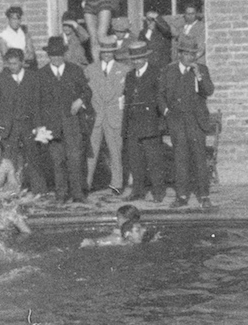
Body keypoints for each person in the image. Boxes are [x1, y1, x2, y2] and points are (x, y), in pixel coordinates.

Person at [32, 35, 93, 203]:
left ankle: (78, 194)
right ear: (48, 56)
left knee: (75, 160)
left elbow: (87, 91)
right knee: (57, 161)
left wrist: (80, 100)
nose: (56, 58)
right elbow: (36, 103)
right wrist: (38, 127)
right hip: (51, 125)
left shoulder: (75, 70)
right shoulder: (41, 74)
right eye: (53, 55)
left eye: (59, 55)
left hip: (72, 123)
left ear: (64, 54)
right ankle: (61, 194)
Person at [158, 36, 216, 208]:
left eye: (193, 54)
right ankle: (181, 196)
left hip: (195, 120)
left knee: (199, 159)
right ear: (180, 54)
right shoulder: (169, 70)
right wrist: (167, 112)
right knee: (180, 159)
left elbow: (209, 91)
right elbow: (160, 94)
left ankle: (204, 196)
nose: (191, 58)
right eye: (187, 54)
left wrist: (199, 76)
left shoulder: (202, 69)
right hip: (177, 120)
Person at [84, 34, 130, 195]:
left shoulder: (123, 70)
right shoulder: (90, 69)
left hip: (114, 116)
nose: (107, 54)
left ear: (114, 52)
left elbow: (125, 94)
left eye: (110, 52)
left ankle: (117, 184)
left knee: (115, 151)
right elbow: (85, 91)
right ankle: (86, 184)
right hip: (96, 116)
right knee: (91, 152)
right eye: (104, 52)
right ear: (100, 52)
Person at [121, 40, 167, 203]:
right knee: (135, 161)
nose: (137, 62)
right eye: (134, 59)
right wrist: (125, 127)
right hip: (133, 125)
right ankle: (138, 191)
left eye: (140, 58)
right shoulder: (130, 76)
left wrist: (161, 123)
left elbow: (161, 98)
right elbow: (127, 101)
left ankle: (158, 192)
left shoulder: (156, 73)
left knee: (154, 161)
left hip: (150, 124)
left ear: (146, 58)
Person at [0, 48, 41, 191]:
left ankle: (36, 189)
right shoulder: (0, 79)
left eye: (15, 63)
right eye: (9, 64)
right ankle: (12, 189)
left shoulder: (32, 77)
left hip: (28, 123)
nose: (12, 67)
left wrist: (37, 125)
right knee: (9, 158)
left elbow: (37, 102)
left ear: (22, 62)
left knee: (33, 156)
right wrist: (7, 116)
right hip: (9, 125)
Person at [80, 204, 152, 247]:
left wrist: (92, 242)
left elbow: (108, 240)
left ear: (126, 218)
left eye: (119, 217)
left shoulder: (118, 237)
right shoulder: (142, 230)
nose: (117, 220)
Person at [0, 5, 37, 70]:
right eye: (13, 19)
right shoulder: (2, 36)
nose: (16, 22)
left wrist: (17, 57)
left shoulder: (25, 34)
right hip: (11, 70)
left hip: (27, 69)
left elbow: (31, 56)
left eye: (18, 18)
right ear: (8, 19)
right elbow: (7, 58)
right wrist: (24, 56)